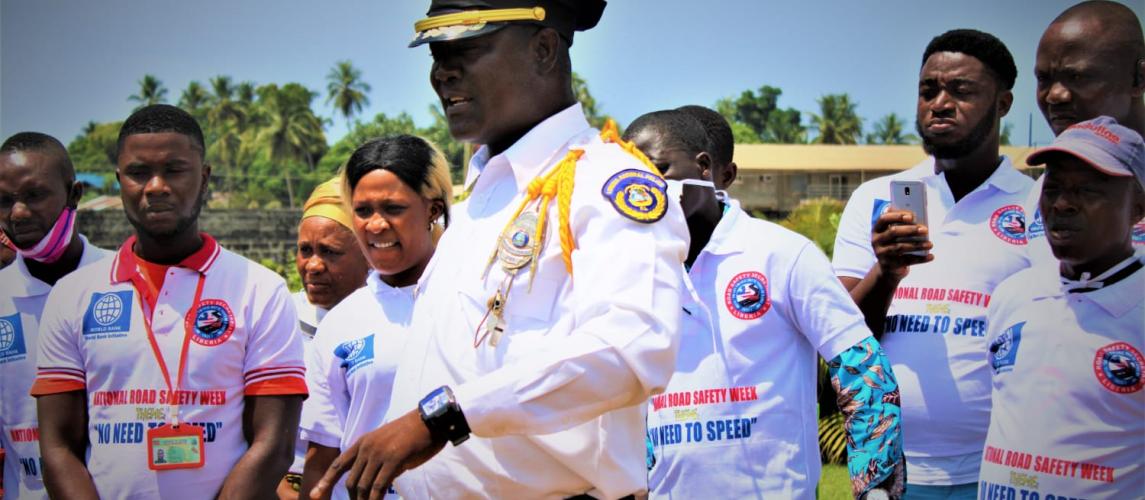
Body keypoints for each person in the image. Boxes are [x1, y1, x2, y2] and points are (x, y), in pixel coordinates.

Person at [311, 1, 692, 498]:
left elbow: (631, 347)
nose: (443, 74)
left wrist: (443, 417)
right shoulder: (480, 200)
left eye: (467, 49)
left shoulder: (603, 180)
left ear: (543, 49)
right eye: (436, 55)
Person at [625, 109, 905, 499]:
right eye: (632, 175)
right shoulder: (636, 268)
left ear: (703, 167)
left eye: (658, 169)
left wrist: (875, 489)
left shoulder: (783, 254)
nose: (646, 186)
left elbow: (864, 371)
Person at [31, 104, 307, 499]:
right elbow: (57, 448)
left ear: (205, 178)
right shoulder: (74, 294)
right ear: (119, 181)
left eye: (174, 170)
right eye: (138, 173)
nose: (156, 186)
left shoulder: (260, 289)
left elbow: (274, 445)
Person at [833, 30, 1033, 498]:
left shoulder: (1036, 204)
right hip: (890, 467)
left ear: (1003, 103)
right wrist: (886, 273)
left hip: (1000, 469)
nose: (940, 103)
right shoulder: (874, 200)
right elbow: (843, 340)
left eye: (961, 91)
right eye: (928, 91)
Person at [979, 116, 1145, 498]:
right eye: (1052, 188)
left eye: (1087, 190)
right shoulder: (1013, 295)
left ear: (1138, 207)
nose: (1063, 204)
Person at [299, 135, 452, 500]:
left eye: (393, 208)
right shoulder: (340, 323)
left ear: (432, 210)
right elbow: (324, 455)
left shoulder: (470, 296)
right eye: (363, 210)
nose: (376, 225)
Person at [0, 132, 111, 499]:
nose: (18, 213)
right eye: (4, 200)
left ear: (74, 194)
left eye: (34, 195)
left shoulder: (124, 281)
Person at [1025, 0, 1145, 269]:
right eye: (1044, 79)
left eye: (1077, 77)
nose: (1055, 96)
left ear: (1139, 78)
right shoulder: (1042, 194)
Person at [279, 177, 369, 499]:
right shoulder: (278, 314)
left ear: (367, 255)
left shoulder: (386, 321)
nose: (313, 266)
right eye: (305, 250)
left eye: (329, 252)